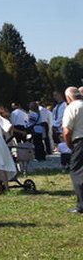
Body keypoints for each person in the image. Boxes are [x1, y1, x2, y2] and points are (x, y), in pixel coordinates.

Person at [62, 86, 83, 214]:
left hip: (79, 141)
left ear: (69, 97)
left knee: (76, 171)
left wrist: (69, 144)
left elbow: (67, 131)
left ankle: (81, 205)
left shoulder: (72, 107)